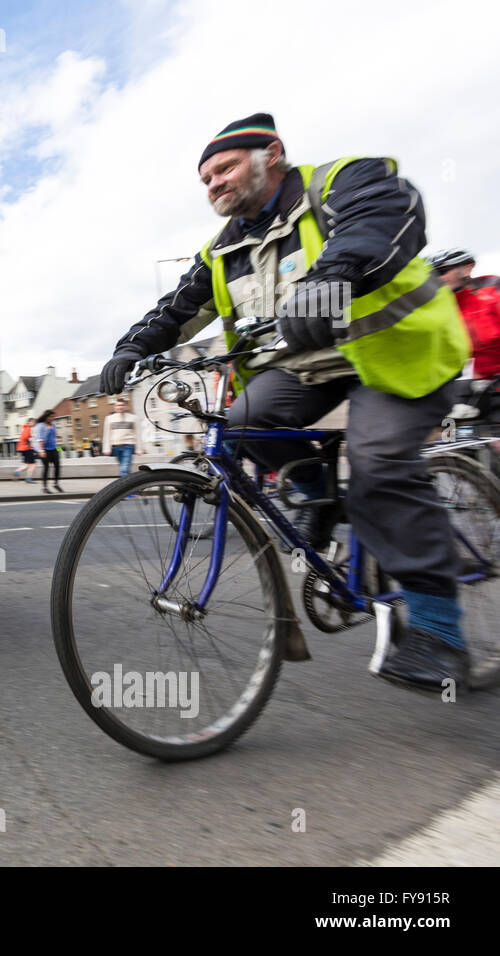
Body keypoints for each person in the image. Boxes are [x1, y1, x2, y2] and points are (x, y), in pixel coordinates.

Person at [99, 112, 472, 691]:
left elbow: (384, 217)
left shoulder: (341, 183)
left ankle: (439, 632)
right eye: (205, 179)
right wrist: (131, 349)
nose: (213, 185)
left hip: (397, 355)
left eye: (223, 169)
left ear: (270, 154)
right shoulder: (222, 251)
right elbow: (176, 311)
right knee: (241, 425)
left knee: (378, 464)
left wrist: (337, 274)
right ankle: (318, 498)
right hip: (308, 368)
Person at [430, 249, 500, 421]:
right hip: (466, 385)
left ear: (468, 268)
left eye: (443, 272)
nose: (438, 278)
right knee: (448, 432)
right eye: (434, 274)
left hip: (495, 382)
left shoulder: (492, 291)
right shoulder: (438, 306)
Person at [102, 398, 139, 476]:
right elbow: (107, 434)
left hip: (129, 446)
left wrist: (139, 449)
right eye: (118, 405)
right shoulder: (109, 419)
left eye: (122, 405)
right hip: (115, 447)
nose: (120, 407)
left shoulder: (134, 418)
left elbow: (138, 433)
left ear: (126, 406)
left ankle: (123, 486)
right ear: (115, 407)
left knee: (124, 469)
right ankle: (131, 485)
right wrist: (106, 448)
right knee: (124, 468)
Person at [32, 410, 63, 493]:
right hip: (44, 449)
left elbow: (55, 439)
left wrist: (59, 449)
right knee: (46, 468)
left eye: (53, 417)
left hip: (54, 449)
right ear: (46, 417)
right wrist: (41, 451)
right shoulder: (40, 426)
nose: (52, 418)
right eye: (51, 417)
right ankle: (44, 487)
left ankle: (56, 484)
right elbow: (39, 439)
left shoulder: (53, 425)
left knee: (57, 466)